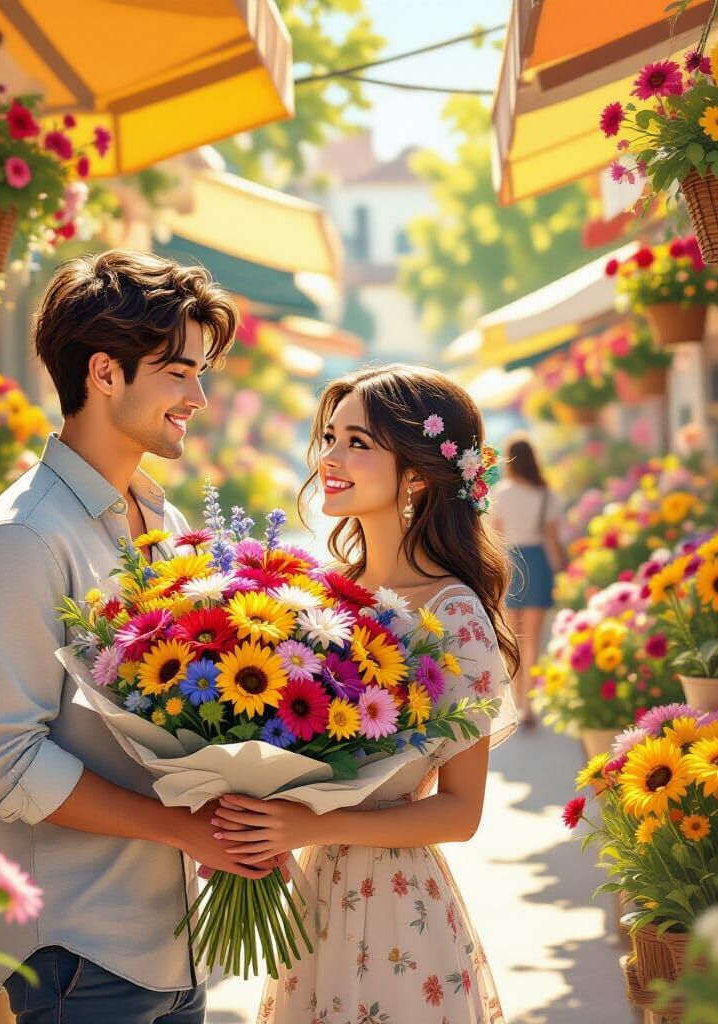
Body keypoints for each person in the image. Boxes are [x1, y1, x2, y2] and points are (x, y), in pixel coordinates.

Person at [0, 250, 284, 1024]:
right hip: (78, 956)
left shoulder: (162, 523)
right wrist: (183, 830)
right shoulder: (24, 540)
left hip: (172, 946)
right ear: (104, 373)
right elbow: (6, 760)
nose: (199, 396)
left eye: (201, 372)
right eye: (177, 371)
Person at [210, 365, 519, 1024]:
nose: (330, 457)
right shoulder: (321, 596)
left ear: (415, 474)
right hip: (315, 901)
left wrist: (306, 825)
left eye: (357, 442)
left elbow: (460, 813)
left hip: (397, 914)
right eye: (329, 437)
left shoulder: (452, 613)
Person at [490, 433, 565, 726]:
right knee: (533, 640)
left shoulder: (501, 494)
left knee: (512, 639)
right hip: (538, 562)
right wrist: (561, 571)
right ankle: (528, 705)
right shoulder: (546, 495)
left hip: (511, 564)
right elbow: (551, 540)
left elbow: (495, 538)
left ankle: (512, 705)